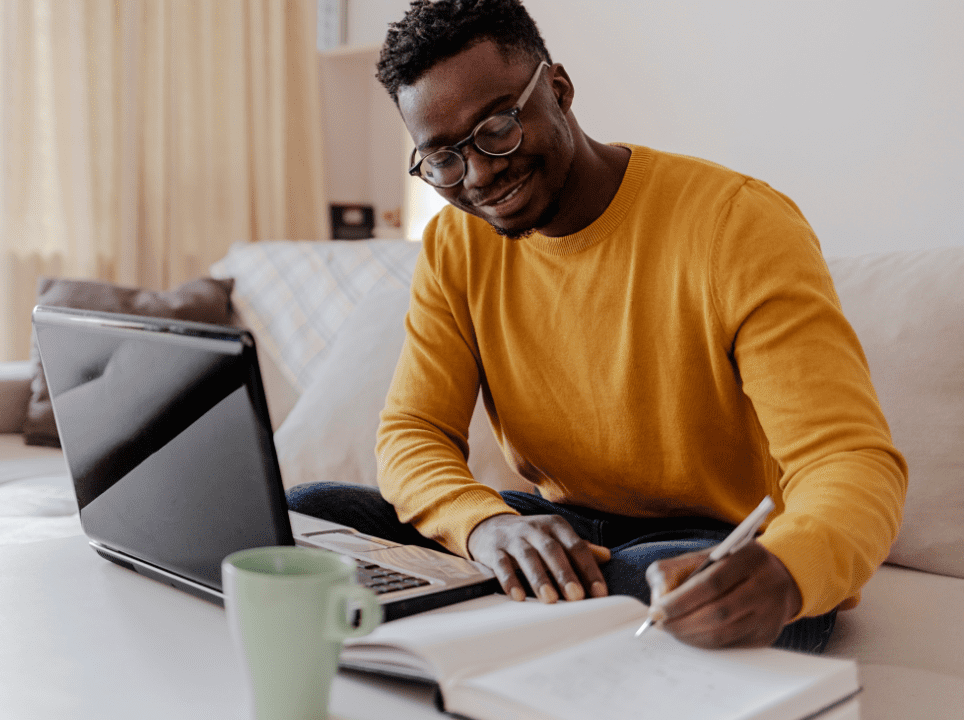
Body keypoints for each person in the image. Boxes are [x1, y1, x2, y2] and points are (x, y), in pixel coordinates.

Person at [287, 0, 907, 653]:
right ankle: (529, 610)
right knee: (305, 513)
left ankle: (516, 617)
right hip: (569, 532)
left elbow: (850, 460)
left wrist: (787, 573)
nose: (480, 174)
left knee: (661, 586)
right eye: (443, 157)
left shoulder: (738, 224)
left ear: (557, 89)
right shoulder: (456, 244)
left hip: (720, 545)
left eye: (497, 127)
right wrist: (486, 529)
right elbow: (413, 434)